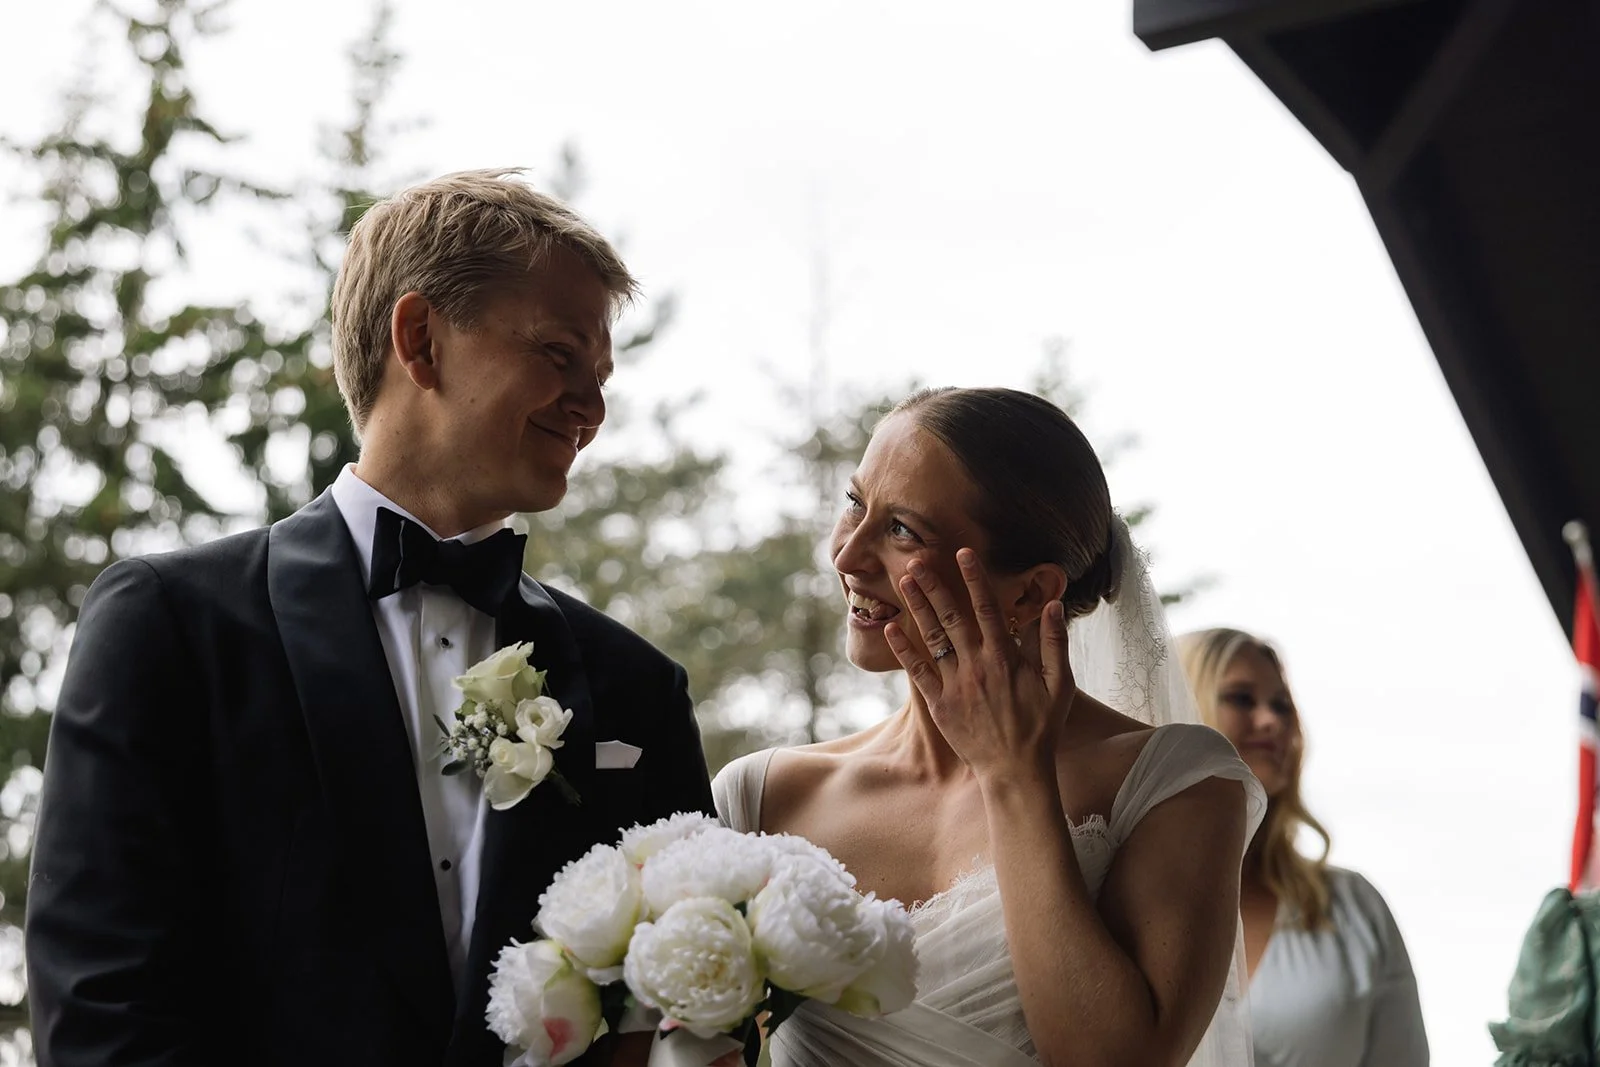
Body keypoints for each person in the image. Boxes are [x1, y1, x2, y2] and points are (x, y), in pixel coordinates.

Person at [24, 169, 713, 1067]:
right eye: (558, 354)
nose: (593, 407)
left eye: (601, 375)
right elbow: (99, 1002)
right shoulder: (170, 625)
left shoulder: (637, 690)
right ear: (420, 338)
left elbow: (686, 1016)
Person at [715, 387, 1266, 1067]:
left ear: (1032, 592)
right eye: (856, 504)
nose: (848, 555)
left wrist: (1013, 776)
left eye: (901, 530)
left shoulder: (1176, 782)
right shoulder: (762, 795)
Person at [1177, 628, 1429, 1067]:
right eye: (1240, 697)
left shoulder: (1352, 907)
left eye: (1282, 705)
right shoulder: (1116, 894)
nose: (1272, 720)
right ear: (1182, 705)